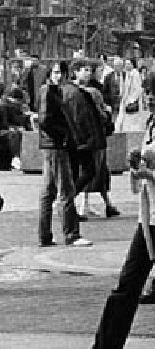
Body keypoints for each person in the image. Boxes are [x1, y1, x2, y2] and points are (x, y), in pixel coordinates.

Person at [70, 69, 155, 349]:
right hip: (150, 216)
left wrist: (152, 174)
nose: (151, 98)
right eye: (148, 93)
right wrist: (140, 161)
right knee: (129, 283)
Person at [38, 61, 91, 249]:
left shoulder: (51, 91)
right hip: (56, 145)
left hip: (51, 144)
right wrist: (64, 134)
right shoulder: (49, 92)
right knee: (65, 190)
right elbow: (45, 120)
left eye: (61, 72)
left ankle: (45, 235)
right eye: (55, 72)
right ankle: (71, 233)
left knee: (48, 191)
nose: (59, 76)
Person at [66, 60, 120, 219]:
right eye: (86, 69)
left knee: (97, 169)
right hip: (93, 137)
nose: (89, 73)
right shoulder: (92, 93)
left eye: (90, 70)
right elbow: (100, 115)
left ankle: (104, 203)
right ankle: (75, 202)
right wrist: (107, 113)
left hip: (79, 137)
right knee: (94, 169)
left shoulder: (69, 91)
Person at [115, 54, 148, 155]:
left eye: (128, 63)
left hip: (132, 106)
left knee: (132, 127)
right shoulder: (127, 74)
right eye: (126, 63)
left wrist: (131, 100)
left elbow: (138, 89)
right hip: (125, 104)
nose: (126, 65)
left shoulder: (135, 74)